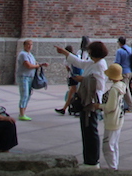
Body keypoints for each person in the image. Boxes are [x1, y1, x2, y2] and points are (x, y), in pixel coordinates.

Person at [55, 40, 109, 168]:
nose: (88, 54)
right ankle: (88, 160)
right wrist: (65, 53)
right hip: (86, 99)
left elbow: (100, 85)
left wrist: (83, 79)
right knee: (86, 131)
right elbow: (80, 63)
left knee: (91, 131)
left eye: (90, 52)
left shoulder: (100, 65)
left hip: (92, 101)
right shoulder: (93, 62)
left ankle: (92, 161)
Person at [99, 63, 131, 169]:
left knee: (107, 146)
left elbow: (110, 107)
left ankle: (113, 168)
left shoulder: (114, 90)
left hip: (112, 120)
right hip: (119, 119)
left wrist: (99, 106)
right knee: (114, 144)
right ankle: (115, 165)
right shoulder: (122, 86)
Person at [15, 39, 48, 121]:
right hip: (23, 77)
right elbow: (28, 65)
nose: (30, 46)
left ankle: (23, 112)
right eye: (28, 44)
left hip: (30, 77)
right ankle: (21, 113)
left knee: (28, 94)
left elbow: (35, 64)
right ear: (24, 45)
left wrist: (40, 65)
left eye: (31, 44)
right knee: (24, 94)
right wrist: (37, 66)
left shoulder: (30, 55)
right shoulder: (23, 54)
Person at [55, 44, 80, 115]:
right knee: (72, 94)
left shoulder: (67, 59)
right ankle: (66, 108)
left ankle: (70, 108)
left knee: (74, 94)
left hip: (72, 77)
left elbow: (68, 69)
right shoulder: (76, 56)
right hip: (77, 77)